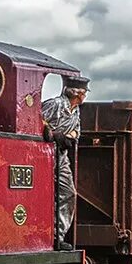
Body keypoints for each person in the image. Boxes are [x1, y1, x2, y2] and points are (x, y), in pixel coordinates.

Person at [40, 76, 88, 249]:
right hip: (44, 153)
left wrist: (68, 137)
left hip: (61, 155)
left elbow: (77, 131)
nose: (85, 97)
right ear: (78, 94)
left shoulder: (76, 111)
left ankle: (57, 236)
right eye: (84, 93)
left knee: (68, 193)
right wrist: (53, 134)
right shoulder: (55, 104)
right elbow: (37, 118)